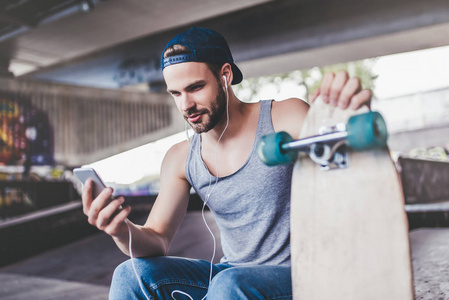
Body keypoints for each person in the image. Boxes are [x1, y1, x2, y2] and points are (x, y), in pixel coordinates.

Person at [81, 27, 372, 299]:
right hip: (232, 277)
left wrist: (346, 119)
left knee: (228, 286)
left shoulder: (285, 118)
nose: (185, 106)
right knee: (130, 274)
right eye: (176, 93)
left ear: (225, 76)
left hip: (305, 273)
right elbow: (157, 239)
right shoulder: (181, 158)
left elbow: (348, 162)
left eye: (195, 88)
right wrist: (120, 229)